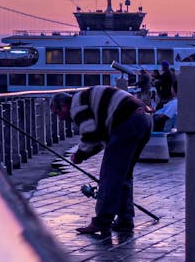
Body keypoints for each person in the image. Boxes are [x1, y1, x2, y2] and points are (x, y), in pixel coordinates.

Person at [51, 88, 153, 236]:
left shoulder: (76, 106)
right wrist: (84, 154)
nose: (59, 118)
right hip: (144, 118)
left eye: (57, 113)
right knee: (123, 174)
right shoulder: (84, 99)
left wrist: (79, 154)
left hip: (127, 120)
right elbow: (100, 139)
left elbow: (91, 135)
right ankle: (125, 220)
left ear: (64, 106)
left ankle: (102, 221)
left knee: (110, 175)